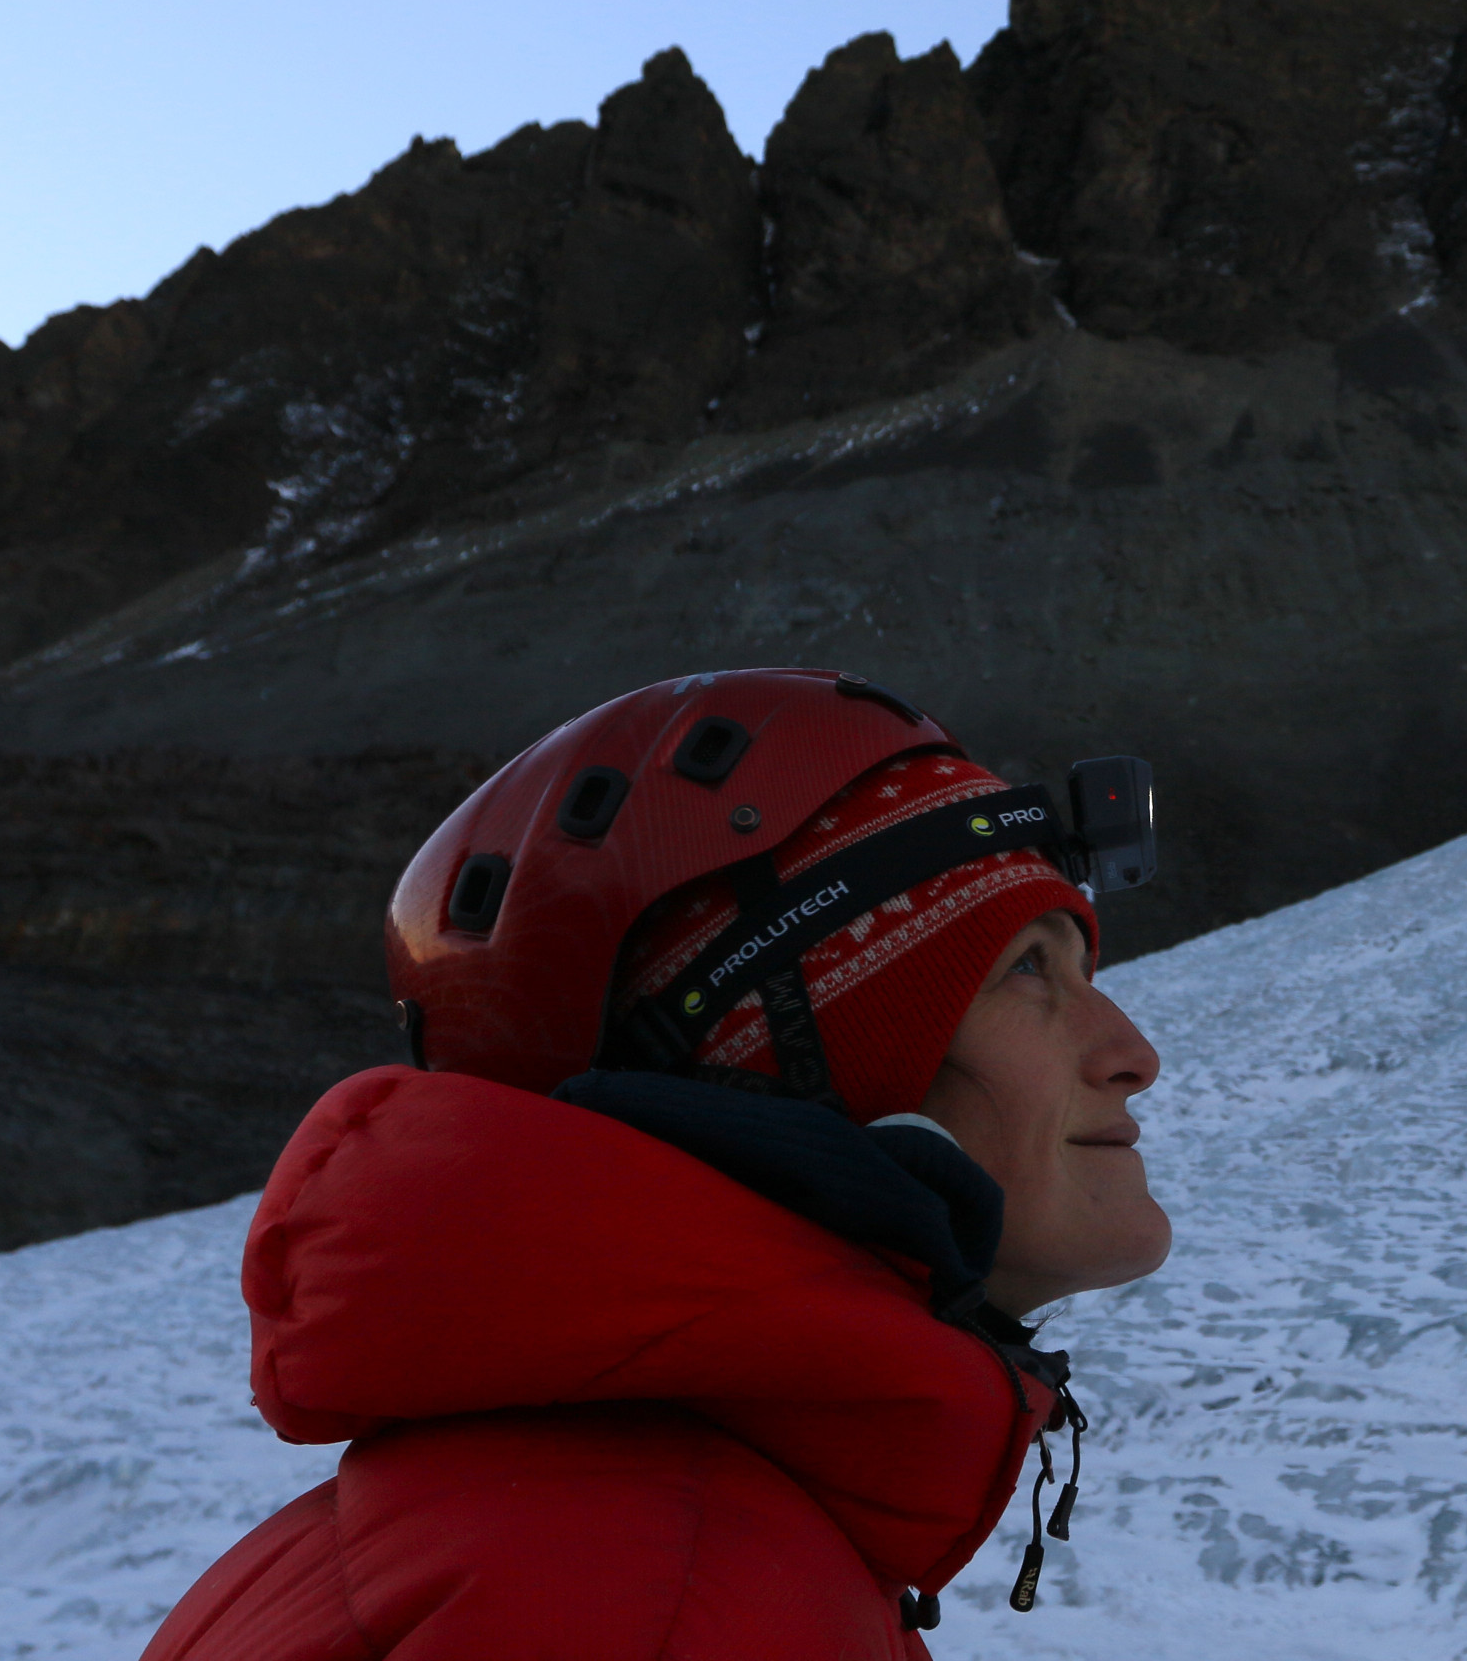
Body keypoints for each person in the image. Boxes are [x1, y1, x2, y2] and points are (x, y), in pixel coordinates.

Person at [141, 668, 1173, 1660]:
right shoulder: (660, 1597)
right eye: (1024, 972)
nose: (1134, 1054)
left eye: (1081, 963)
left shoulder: (627, 1529)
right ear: (792, 1076)